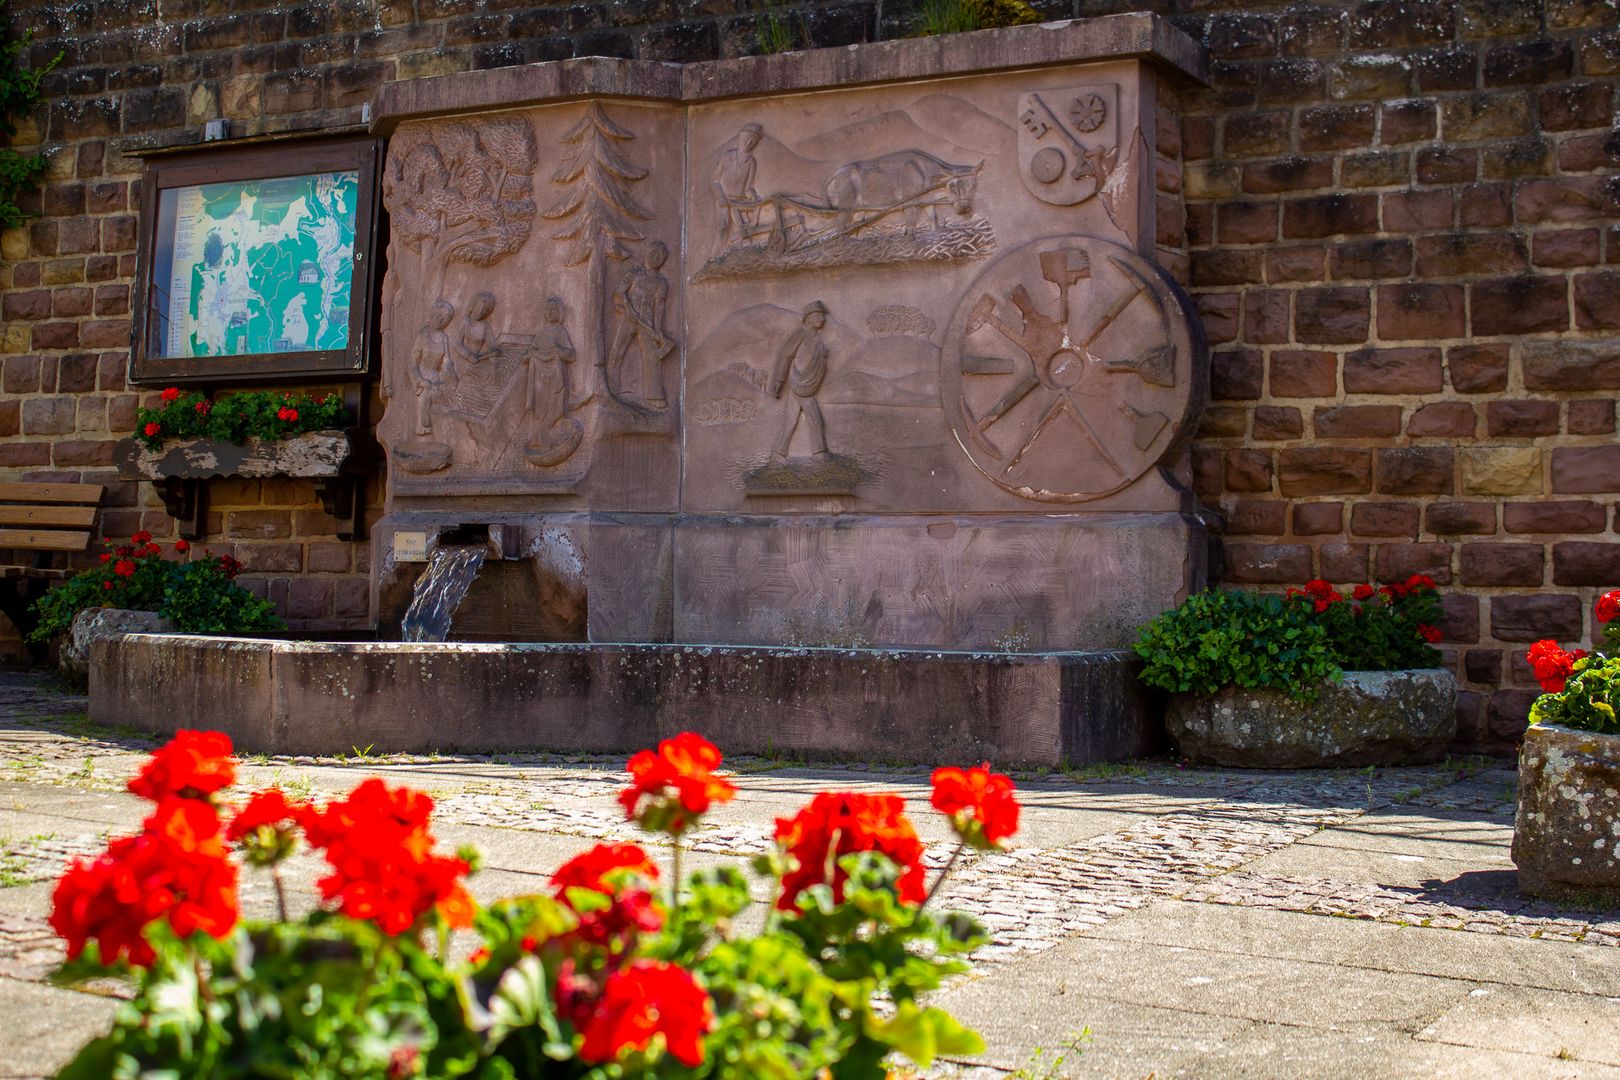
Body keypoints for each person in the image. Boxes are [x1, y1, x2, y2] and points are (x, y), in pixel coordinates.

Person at [607, 242, 674, 407]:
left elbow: (659, 307)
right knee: (617, 351)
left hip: (647, 322)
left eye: (660, 256)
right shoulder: (634, 274)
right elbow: (619, 291)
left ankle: (654, 396)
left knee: (652, 357)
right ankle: (610, 388)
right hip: (628, 318)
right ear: (646, 252)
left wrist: (658, 329)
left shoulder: (661, 283)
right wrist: (628, 307)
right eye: (654, 253)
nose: (656, 257)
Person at [769, 300, 832, 460]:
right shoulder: (801, 334)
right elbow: (786, 355)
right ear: (809, 318)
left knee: (790, 419)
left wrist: (823, 357)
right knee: (815, 418)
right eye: (819, 315)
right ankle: (819, 453)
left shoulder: (818, 340)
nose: (823, 319)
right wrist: (779, 381)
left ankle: (778, 453)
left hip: (805, 384)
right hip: (799, 383)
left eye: (823, 316)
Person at [409, 300, 456, 436]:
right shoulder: (423, 335)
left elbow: (447, 361)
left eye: (444, 319)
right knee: (425, 399)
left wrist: (452, 379)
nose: (440, 321)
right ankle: (422, 427)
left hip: (436, 377)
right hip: (422, 376)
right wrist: (419, 379)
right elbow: (412, 362)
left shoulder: (444, 338)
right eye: (438, 316)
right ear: (432, 315)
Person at [712, 123, 762, 246]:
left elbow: (748, 187)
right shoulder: (727, 156)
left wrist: (754, 197)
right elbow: (715, 181)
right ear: (740, 138)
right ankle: (717, 253)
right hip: (725, 200)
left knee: (746, 230)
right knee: (723, 227)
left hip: (740, 201)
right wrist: (720, 197)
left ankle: (739, 252)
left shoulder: (751, 162)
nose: (749, 142)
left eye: (753, 141)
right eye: (747, 138)